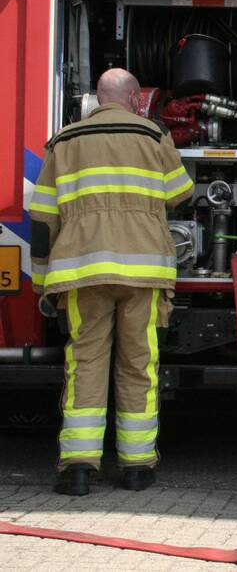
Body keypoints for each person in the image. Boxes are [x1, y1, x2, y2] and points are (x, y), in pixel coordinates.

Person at [29, 68, 194, 496]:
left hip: (82, 271)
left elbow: (43, 218)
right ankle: (137, 468)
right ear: (136, 98)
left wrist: (42, 281)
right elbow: (180, 193)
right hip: (143, 272)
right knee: (139, 364)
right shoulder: (154, 135)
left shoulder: (63, 141)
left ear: (95, 99)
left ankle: (78, 469)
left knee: (84, 363)